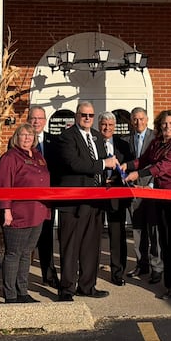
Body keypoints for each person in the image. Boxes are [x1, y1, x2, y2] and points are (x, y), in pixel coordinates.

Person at [125, 110, 171, 303]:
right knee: (167, 242)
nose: (167, 126)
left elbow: (163, 166)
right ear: (159, 125)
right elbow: (143, 160)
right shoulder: (156, 143)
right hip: (162, 197)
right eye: (164, 123)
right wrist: (127, 166)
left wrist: (138, 174)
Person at [55, 101, 119, 302]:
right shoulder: (67, 137)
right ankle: (66, 289)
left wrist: (106, 176)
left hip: (96, 200)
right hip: (74, 202)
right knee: (70, 247)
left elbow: (99, 165)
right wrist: (104, 164)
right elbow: (75, 164)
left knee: (91, 246)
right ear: (77, 116)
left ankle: (87, 286)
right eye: (84, 115)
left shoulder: (97, 137)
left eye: (91, 115)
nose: (88, 118)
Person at [0, 122, 51, 303]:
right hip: (18, 213)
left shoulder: (38, 156)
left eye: (30, 134)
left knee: (27, 252)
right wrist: (6, 210)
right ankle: (10, 295)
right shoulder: (10, 157)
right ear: (16, 137)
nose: (27, 138)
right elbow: (4, 185)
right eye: (23, 134)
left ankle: (22, 291)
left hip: (38, 212)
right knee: (14, 253)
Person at [123, 107, 163, 285]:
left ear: (147, 119)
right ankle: (142, 264)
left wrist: (152, 185)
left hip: (151, 189)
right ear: (131, 121)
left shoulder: (156, 138)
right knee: (138, 230)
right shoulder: (127, 139)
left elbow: (159, 164)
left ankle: (157, 267)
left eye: (141, 119)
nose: (138, 122)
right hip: (134, 190)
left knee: (154, 230)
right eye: (135, 119)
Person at [98, 111, 132, 286]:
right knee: (93, 235)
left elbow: (129, 168)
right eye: (104, 124)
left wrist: (118, 179)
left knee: (117, 236)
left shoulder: (123, 145)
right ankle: (89, 271)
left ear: (115, 126)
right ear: (99, 125)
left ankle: (118, 273)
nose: (107, 128)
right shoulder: (92, 142)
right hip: (96, 194)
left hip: (117, 195)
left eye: (110, 125)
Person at [28, 105, 60, 288]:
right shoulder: (20, 140)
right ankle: (20, 277)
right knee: (27, 238)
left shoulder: (54, 141)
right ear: (28, 120)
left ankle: (49, 275)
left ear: (45, 121)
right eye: (33, 118)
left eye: (40, 118)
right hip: (27, 199)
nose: (36, 122)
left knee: (46, 236)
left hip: (48, 197)